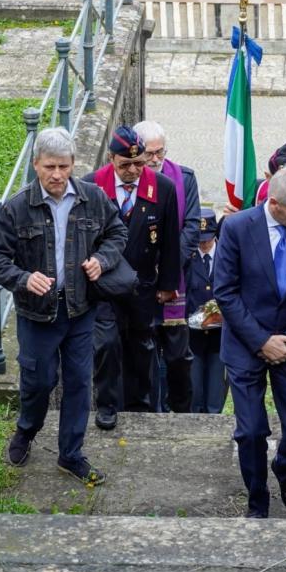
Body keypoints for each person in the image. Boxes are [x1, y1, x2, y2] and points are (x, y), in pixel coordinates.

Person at [0, 127, 128, 484]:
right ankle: (26, 430)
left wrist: (102, 260)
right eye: (50, 167)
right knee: (39, 381)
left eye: (64, 166)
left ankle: (71, 454)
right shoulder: (17, 208)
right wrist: (23, 278)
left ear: (74, 164)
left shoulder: (92, 198)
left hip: (80, 310)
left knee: (79, 382)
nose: (57, 175)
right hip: (37, 314)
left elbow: (117, 232)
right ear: (36, 165)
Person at [214, 164, 286, 518]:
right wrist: (262, 341)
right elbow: (225, 292)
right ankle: (257, 497)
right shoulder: (236, 228)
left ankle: (285, 471)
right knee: (250, 431)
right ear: (276, 204)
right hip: (246, 343)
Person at [84, 126, 181, 428]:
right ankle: (108, 404)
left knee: (141, 345)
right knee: (106, 344)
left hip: (142, 286)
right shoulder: (92, 186)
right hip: (103, 285)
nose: (133, 171)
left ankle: (140, 404)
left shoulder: (162, 187)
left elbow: (170, 242)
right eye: (125, 164)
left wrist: (168, 285)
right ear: (111, 158)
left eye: (138, 164)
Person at [134, 120, 201, 414]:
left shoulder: (184, 178)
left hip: (176, 282)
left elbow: (191, 228)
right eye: (149, 154)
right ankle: (148, 410)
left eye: (160, 152)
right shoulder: (130, 182)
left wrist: (169, 270)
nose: (156, 159)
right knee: (143, 354)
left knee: (178, 358)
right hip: (142, 281)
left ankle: (181, 410)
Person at [186, 207, 226, 413]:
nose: (204, 243)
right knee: (194, 392)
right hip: (193, 336)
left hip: (220, 337)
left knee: (215, 393)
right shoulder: (187, 256)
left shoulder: (227, 255)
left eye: (208, 239)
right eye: (200, 239)